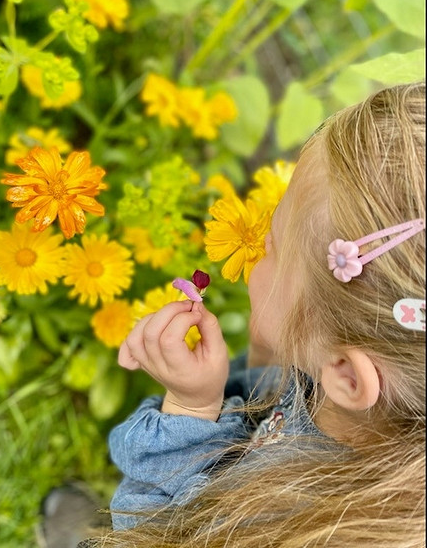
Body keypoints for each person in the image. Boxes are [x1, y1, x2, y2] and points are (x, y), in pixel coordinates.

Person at [89, 82, 426, 547]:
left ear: (347, 376)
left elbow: (147, 531)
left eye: (272, 246)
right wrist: (271, 351)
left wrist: (190, 409)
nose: (257, 254)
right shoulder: (362, 399)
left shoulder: (276, 521)